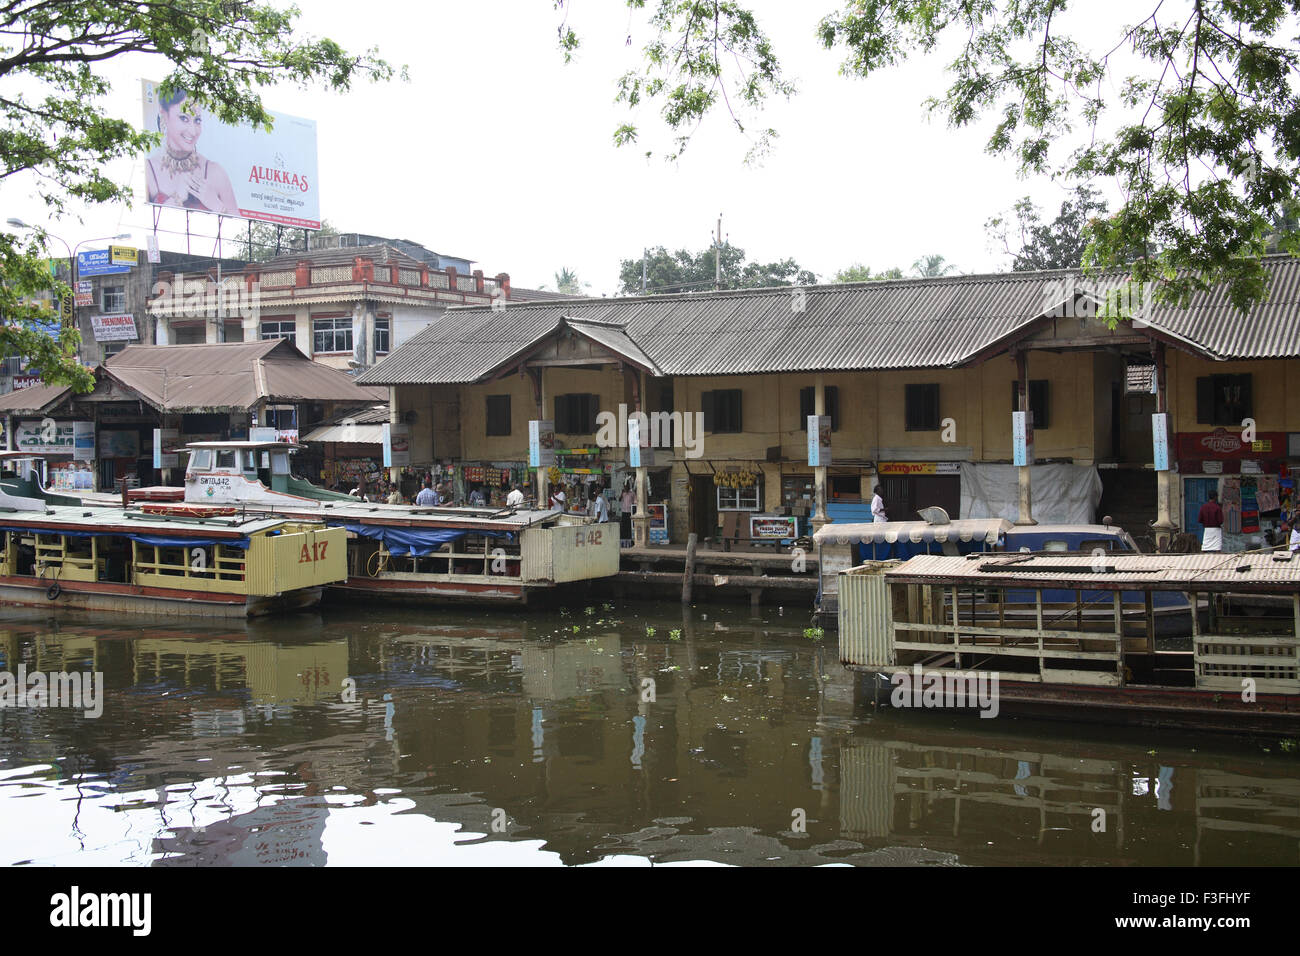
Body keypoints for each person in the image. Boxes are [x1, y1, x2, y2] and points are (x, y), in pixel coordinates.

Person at [145, 88, 240, 215]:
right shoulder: (149, 170)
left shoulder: (214, 171)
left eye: (197, 121)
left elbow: (241, 228)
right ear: (164, 116)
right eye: (184, 118)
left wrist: (217, 205)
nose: (193, 131)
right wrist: (177, 197)